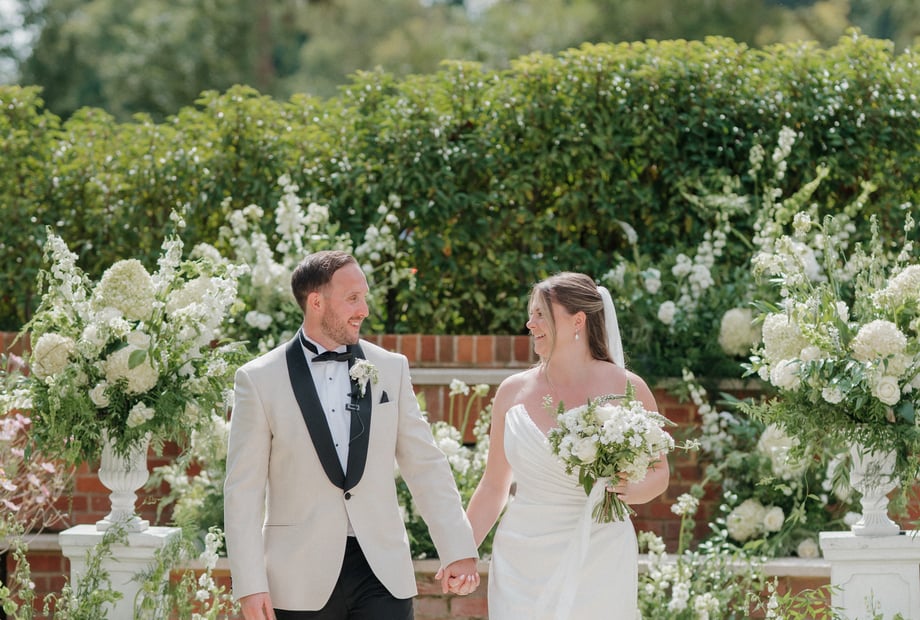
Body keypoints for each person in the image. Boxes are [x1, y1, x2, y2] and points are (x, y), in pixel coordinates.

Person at [224, 250, 480, 620]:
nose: (364, 310)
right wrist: (249, 584)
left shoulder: (390, 368)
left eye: (364, 297)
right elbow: (243, 491)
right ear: (316, 302)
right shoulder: (258, 379)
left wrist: (458, 548)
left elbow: (425, 464)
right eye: (353, 298)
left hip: (382, 572)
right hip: (298, 577)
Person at [462, 272, 670, 619]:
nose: (530, 324)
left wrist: (628, 490)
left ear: (578, 321)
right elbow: (494, 485)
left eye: (541, 314)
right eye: (531, 314)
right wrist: (462, 551)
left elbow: (660, 472)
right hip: (522, 561)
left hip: (601, 553)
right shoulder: (512, 392)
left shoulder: (628, 388)